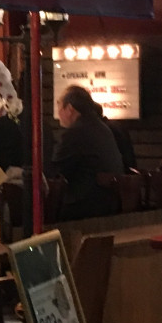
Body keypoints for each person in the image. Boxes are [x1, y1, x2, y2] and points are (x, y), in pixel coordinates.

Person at [48, 84, 124, 221]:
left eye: (59, 105)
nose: (58, 112)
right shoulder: (102, 127)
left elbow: (54, 169)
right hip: (109, 203)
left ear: (69, 109)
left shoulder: (76, 133)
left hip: (85, 205)